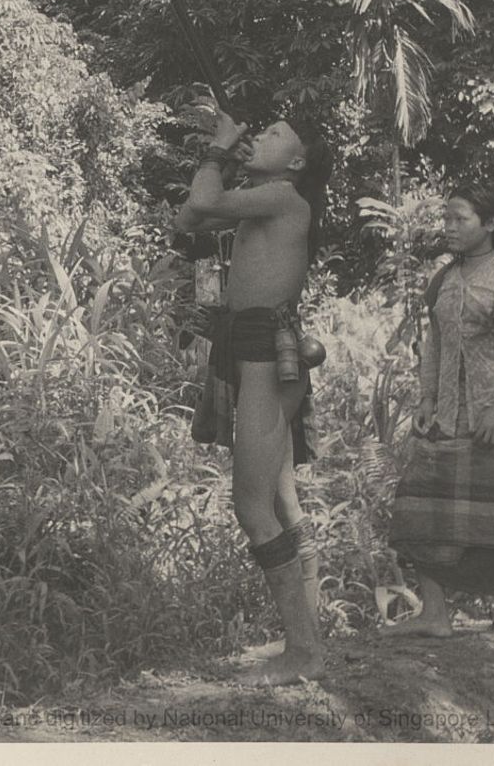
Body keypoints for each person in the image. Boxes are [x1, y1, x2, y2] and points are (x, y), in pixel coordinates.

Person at [173, 106, 333, 686]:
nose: (258, 136)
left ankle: (303, 651)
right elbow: (191, 213)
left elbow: (205, 202)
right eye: (258, 131)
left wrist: (218, 150)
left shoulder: (285, 198)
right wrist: (225, 166)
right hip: (251, 353)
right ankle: (308, 636)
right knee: (283, 502)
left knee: (252, 507)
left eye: (273, 134)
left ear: (294, 162)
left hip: (268, 356)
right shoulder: (265, 195)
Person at [386, 182, 494, 646]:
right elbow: (436, 343)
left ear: (489, 224)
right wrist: (426, 400)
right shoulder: (443, 280)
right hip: (450, 415)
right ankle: (435, 613)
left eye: (459, 219)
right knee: (419, 505)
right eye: (446, 219)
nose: (449, 227)